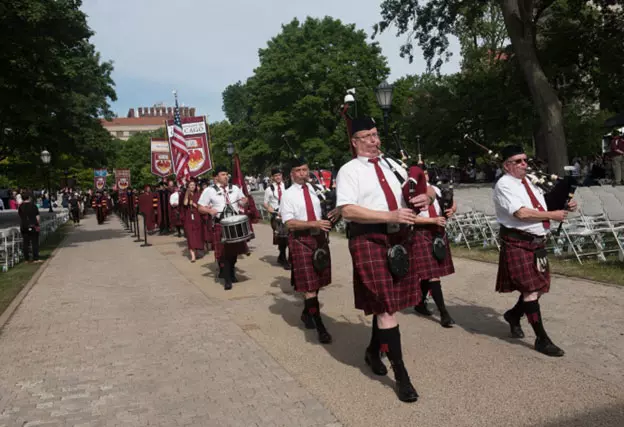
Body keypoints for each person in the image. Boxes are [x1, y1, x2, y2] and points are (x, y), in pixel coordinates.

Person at [336, 116, 433, 403]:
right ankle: (401, 376)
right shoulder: (349, 171)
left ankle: (371, 351)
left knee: (387, 305)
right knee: (387, 308)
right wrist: (389, 215)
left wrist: (426, 197)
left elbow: (427, 188)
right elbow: (348, 211)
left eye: (376, 135)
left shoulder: (394, 166)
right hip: (369, 239)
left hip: (400, 239)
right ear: (355, 142)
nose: (374, 141)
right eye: (366, 136)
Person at [493, 145, 578, 357]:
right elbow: (521, 213)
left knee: (539, 288)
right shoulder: (504, 185)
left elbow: (542, 205)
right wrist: (552, 215)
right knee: (530, 291)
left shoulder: (529, 182)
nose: (525, 164)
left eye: (525, 160)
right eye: (519, 161)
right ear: (507, 165)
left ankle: (513, 315)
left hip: (537, 243)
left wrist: (566, 205)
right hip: (517, 242)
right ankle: (541, 339)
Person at [280, 158, 335, 344]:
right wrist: (314, 223)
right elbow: (289, 223)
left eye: (305, 169)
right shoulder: (288, 195)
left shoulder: (316, 190)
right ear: (292, 174)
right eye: (298, 170)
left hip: (319, 239)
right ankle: (320, 327)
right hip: (301, 240)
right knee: (310, 287)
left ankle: (306, 313)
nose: (303, 173)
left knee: (317, 282)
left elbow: (326, 211)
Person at [412, 166, 457, 327]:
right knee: (433, 274)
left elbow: (451, 203)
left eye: (424, 173)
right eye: (420, 174)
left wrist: (452, 209)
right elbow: (409, 217)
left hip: (438, 232)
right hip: (421, 233)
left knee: (428, 273)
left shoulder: (435, 189)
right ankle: (444, 313)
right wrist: (432, 221)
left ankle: (419, 303)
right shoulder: (410, 193)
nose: (423, 176)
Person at [198, 166, 249, 290]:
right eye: (222, 174)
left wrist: (245, 201)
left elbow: (243, 202)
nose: (226, 176)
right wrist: (209, 210)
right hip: (220, 223)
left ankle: (231, 271)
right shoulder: (209, 190)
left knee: (234, 252)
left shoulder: (235, 188)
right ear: (216, 177)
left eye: (226, 174)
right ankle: (227, 278)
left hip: (235, 223)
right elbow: (200, 207)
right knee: (224, 252)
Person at [264, 167, 290, 269]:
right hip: (276, 216)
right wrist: (272, 211)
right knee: (282, 237)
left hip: (287, 214)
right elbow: (266, 204)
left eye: (279, 175)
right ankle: (283, 258)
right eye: (275, 175)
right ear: (272, 177)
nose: (278, 177)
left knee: (289, 237)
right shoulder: (269, 189)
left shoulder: (287, 186)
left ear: (282, 176)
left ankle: (283, 257)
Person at [183, 180, 205, 263]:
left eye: (193, 185)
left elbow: (201, 206)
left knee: (197, 234)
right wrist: (187, 195)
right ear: (188, 186)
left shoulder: (198, 195)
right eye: (190, 185)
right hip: (189, 217)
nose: (192, 186)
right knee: (190, 235)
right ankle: (193, 256)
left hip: (197, 216)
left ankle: (198, 251)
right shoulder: (186, 194)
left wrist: (194, 204)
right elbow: (185, 204)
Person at [18, 192, 42, 264]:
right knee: (34, 242)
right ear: (29, 197)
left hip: (24, 226)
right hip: (33, 225)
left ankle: (26, 259)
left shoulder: (20, 206)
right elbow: (37, 217)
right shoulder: (33, 206)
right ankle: (35, 258)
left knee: (26, 243)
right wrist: (38, 224)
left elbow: (20, 216)